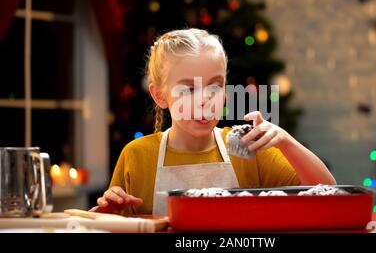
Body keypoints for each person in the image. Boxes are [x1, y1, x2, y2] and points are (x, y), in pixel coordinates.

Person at [90, 28, 336, 215]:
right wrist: (108, 213)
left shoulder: (247, 148)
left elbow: (329, 193)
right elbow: (110, 221)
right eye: (188, 89)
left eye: (215, 86)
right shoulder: (137, 155)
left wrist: (286, 141)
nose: (205, 100)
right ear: (159, 95)